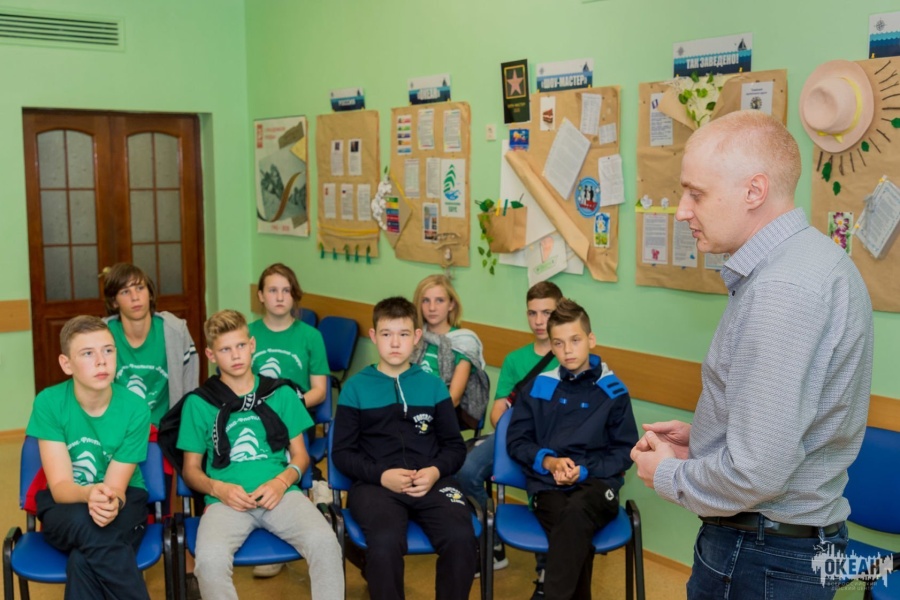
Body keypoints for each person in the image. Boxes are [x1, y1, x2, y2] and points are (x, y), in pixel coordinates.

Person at [630, 110, 874, 599]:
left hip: (761, 554)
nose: (682, 211)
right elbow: (786, 427)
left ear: (754, 191)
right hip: (785, 549)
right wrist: (706, 438)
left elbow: (755, 472)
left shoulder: (781, 289)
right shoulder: (813, 260)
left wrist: (669, 474)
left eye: (696, 194)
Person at [176, 310, 343, 600]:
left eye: (241, 345)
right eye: (225, 349)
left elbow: (301, 456)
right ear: (211, 355)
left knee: (325, 543)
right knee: (210, 562)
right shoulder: (199, 403)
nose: (236, 355)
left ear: (252, 345)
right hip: (225, 501)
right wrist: (219, 489)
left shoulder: (281, 393)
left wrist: (281, 482)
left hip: (281, 493)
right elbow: (190, 470)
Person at [331, 296, 477, 600]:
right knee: (384, 543)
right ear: (374, 336)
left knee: (461, 537)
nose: (395, 343)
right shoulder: (355, 388)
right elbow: (342, 453)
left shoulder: (433, 386)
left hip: (432, 481)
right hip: (376, 485)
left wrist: (434, 471)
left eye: (403, 334)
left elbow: (454, 447)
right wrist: (382, 476)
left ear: (417, 337)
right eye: (386, 334)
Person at [507, 298, 638, 600]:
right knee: (572, 533)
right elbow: (517, 441)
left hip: (598, 485)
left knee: (575, 516)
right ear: (551, 347)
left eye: (575, 340)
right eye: (559, 343)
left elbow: (624, 451)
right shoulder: (538, 386)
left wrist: (585, 470)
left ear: (591, 340)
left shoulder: (613, 391)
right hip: (548, 485)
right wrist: (549, 462)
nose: (567, 350)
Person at [26, 315, 152, 600]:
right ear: (66, 364)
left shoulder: (136, 408)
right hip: (68, 503)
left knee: (82, 561)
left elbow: (116, 487)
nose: (101, 361)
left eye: (108, 350)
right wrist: (88, 494)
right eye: (87, 353)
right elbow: (60, 487)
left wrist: (109, 500)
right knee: (94, 532)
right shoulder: (49, 402)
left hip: (122, 498)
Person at [457, 281, 562, 580]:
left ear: (560, 310)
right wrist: (517, 423)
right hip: (515, 435)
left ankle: (547, 569)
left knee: (545, 485)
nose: (539, 321)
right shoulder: (515, 359)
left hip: (555, 440)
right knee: (465, 471)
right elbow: (497, 415)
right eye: (532, 313)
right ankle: (492, 542)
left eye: (546, 313)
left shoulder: (569, 354)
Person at [248, 263, 331, 577]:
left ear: (294, 296)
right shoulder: (248, 334)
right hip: (251, 420)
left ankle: (282, 540)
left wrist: (287, 409)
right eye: (272, 290)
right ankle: (258, 531)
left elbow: (320, 391)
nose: (280, 297)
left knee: (282, 463)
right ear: (260, 295)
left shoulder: (310, 336)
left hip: (294, 420)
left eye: (286, 290)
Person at [102, 263, 198, 427]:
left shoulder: (176, 331)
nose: (135, 297)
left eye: (140, 288)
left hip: (166, 431)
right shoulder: (101, 334)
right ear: (114, 302)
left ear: (150, 294)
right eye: (125, 292)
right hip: (119, 430)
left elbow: (191, 390)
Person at [411, 274, 490, 432]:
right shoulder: (412, 336)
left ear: (451, 304)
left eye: (439, 300)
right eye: (425, 300)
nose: (432, 308)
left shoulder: (464, 342)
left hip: (439, 415)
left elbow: (453, 399)